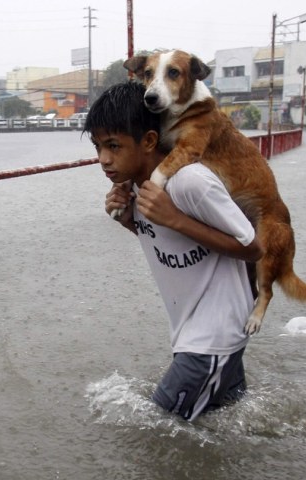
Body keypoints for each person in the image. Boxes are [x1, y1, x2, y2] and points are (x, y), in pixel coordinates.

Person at [84, 82, 264, 421]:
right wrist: (127, 219)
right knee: (226, 427)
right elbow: (164, 239)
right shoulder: (138, 187)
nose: (104, 159)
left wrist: (176, 218)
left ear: (149, 140)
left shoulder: (190, 181)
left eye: (113, 146)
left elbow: (252, 247)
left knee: (159, 432)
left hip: (211, 337)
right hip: (198, 332)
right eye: (98, 147)